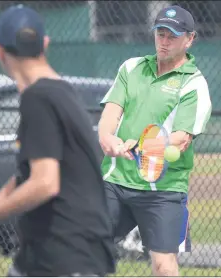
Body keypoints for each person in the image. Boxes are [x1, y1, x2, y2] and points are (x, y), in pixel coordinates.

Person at [0, 5, 115, 277]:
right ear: (45, 44)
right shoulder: (61, 93)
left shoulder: (39, 98)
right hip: (45, 256)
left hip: (66, 258)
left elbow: (44, 182)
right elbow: (25, 176)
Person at [98, 5, 212, 276]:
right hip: (115, 182)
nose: (164, 41)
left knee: (163, 265)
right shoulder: (132, 67)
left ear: (189, 39)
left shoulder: (195, 84)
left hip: (163, 191)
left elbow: (181, 138)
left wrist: (141, 145)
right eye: (160, 33)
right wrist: (107, 139)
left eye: (172, 35)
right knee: (83, 247)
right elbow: (110, 116)